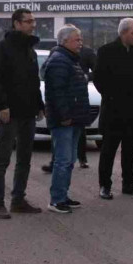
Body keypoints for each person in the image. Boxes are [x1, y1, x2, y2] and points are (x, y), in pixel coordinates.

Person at [0, 8, 45, 219]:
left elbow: (33, 81)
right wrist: (2, 105)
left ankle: (18, 200)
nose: (32, 25)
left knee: (25, 159)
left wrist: (39, 105)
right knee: (3, 159)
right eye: (28, 21)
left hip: (28, 113)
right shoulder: (2, 48)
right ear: (17, 24)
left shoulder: (30, 49)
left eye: (33, 21)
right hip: (9, 113)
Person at [95, 18, 133, 199]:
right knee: (108, 151)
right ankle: (105, 185)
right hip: (114, 111)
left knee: (130, 150)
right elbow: (99, 79)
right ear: (123, 33)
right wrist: (112, 96)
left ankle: (128, 183)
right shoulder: (106, 52)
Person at [42, 25, 92, 214]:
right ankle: (56, 200)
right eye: (77, 39)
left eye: (80, 39)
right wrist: (64, 116)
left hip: (74, 119)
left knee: (69, 160)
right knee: (63, 160)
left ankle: (63, 196)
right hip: (65, 121)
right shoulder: (59, 61)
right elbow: (57, 93)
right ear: (65, 41)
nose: (81, 43)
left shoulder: (70, 60)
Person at [42, 44, 96, 173]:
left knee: (79, 131)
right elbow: (46, 73)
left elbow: (98, 69)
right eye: (76, 39)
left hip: (78, 99)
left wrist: (86, 77)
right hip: (66, 102)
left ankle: (82, 158)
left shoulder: (86, 52)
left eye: (79, 39)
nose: (79, 41)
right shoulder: (56, 54)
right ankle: (55, 162)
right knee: (60, 138)